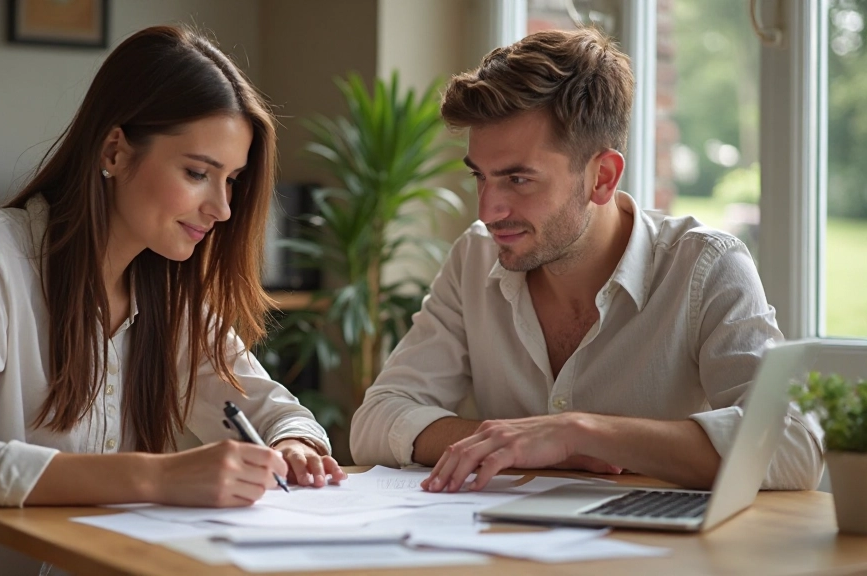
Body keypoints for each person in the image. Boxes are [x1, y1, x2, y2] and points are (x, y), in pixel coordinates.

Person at [0, 26, 345, 576]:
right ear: (114, 150)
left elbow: (269, 407)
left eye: (231, 180)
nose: (223, 208)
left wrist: (294, 444)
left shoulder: (170, 293)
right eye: (197, 173)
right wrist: (159, 477)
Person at [350, 28, 823, 493]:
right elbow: (377, 418)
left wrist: (579, 433)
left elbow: (794, 443)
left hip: (651, 542)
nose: (488, 210)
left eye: (518, 180)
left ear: (602, 177)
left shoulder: (705, 267)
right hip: (503, 539)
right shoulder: (474, 258)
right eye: (481, 177)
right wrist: (518, 443)